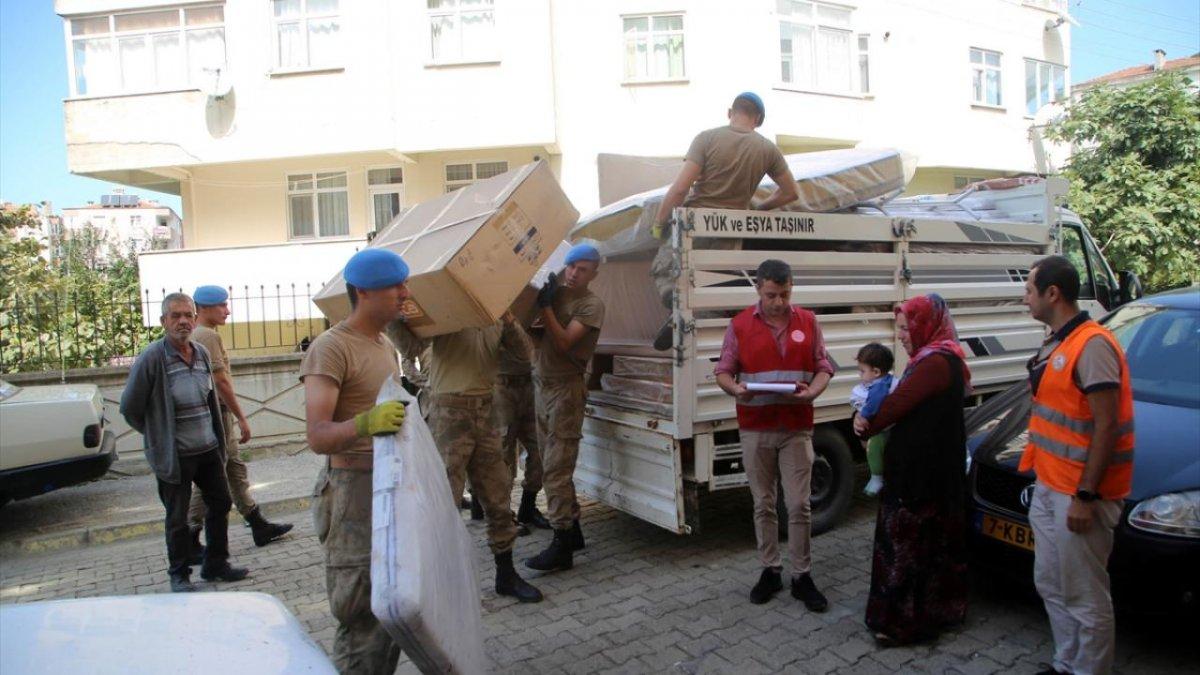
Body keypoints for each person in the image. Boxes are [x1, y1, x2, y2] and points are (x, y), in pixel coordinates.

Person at [1019, 255, 1135, 675]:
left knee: (1085, 596)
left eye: (1029, 290)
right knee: (1051, 584)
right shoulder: (1059, 340)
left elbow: (1107, 425)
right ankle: (1065, 663)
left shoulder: (1093, 344)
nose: (1024, 298)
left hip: (1079, 495)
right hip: (1051, 486)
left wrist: (1086, 496)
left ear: (1053, 293)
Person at [301, 249, 411, 673]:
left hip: (383, 486)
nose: (405, 293)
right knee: (360, 615)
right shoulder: (331, 348)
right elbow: (318, 435)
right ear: (363, 291)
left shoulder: (384, 344)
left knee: (389, 609)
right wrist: (366, 423)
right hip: (351, 497)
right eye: (395, 286)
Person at [390, 316, 544, 603]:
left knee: (498, 497)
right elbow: (410, 348)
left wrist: (508, 319)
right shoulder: (447, 309)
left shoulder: (496, 314)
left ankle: (506, 574)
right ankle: (441, 583)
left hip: (488, 409)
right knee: (443, 502)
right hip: (449, 413)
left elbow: (525, 354)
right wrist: (395, 319)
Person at [713, 259, 832, 609]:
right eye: (771, 295)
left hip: (796, 426)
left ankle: (802, 576)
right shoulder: (739, 325)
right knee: (763, 503)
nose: (778, 302)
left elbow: (824, 367)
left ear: (791, 287)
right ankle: (770, 569)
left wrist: (813, 392)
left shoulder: (808, 322)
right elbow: (723, 371)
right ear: (758, 290)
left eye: (784, 294)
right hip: (755, 427)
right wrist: (735, 390)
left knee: (798, 504)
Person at [854, 293, 971, 646]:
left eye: (906, 327)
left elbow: (897, 405)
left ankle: (904, 623)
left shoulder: (936, 362)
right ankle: (931, 613)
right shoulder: (930, 357)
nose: (902, 335)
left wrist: (866, 423)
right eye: (899, 328)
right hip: (925, 472)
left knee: (910, 549)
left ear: (925, 325)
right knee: (927, 548)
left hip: (923, 478)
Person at [119, 292, 250, 593]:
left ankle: (216, 564)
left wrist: (218, 440)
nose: (182, 321)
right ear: (163, 321)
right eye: (175, 316)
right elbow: (129, 408)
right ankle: (179, 574)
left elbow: (209, 399)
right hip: (176, 455)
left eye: (187, 315)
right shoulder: (153, 357)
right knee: (177, 517)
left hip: (207, 448)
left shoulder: (201, 353)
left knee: (221, 502)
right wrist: (158, 437)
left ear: (194, 318)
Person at [649, 91, 799, 350]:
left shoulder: (707, 138)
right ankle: (692, 322)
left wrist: (660, 223)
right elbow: (791, 192)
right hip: (731, 235)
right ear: (758, 119)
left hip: (696, 226)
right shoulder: (767, 149)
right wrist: (757, 210)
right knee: (710, 285)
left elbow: (679, 189)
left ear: (730, 112)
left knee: (664, 271)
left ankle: (680, 313)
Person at [186, 285, 293, 556]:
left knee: (234, 469)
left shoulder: (200, 334)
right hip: (218, 415)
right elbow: (220, 381)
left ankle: (257, 523)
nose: (227, 310)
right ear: (206, 308)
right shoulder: (207, 335)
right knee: (214, 475)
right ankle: (189, 534)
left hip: (218, 413)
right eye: (222, 305)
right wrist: (242, 418)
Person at [524, 243, 605, 573]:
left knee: (556, 470)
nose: (573, 273)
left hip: (566, 391)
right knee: (548, 461)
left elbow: (563, 341)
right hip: (542, 386)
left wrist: (544, 309)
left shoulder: (591, 304)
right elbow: (536, 337)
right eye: (571, 266)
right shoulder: (556, 295)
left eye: (582, 269)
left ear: (594, 274)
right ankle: (574, 533)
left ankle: (561, 546)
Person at [493, 319, 551, 531]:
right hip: (501, 386)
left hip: (529, 382)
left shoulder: (530, 297)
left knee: (540, 448)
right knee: (503, 454)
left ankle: (528, 506)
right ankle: (503, 516)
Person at [849, 342, 896, 497]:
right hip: (889, 428)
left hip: (883, 430)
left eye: (862, 371)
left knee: (873, 448)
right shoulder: (887, 380)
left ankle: (876, 477)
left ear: (876, 372)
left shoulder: (879, 386)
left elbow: (873, 404)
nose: (859, 375)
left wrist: (862, 415)